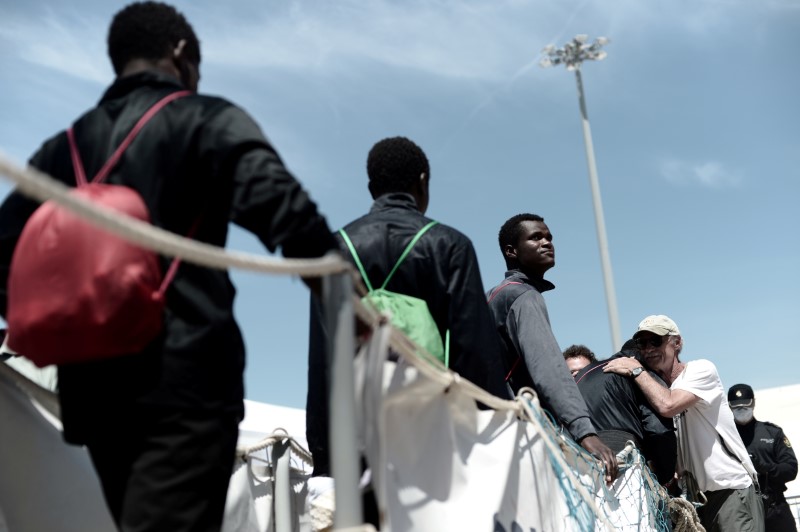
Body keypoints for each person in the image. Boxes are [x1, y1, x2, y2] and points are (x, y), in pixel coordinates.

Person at [0, 3, 338, 530]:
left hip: (93, 392)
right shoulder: (202, 116)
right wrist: (343, 289)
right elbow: (284, 210)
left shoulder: (57, 151)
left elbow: (5, 260)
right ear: (181, 54)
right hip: (185, 377)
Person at [306, 136, 507, 477]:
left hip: (359, 433)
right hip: (434, 432)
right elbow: (474, 353)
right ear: (423, 181)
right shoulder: (450, 245)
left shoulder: (335, 250)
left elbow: (324, 359)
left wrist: (325, 460)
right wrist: (491, 433)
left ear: (372, 187)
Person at [485, 213, 618, 483]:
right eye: (536, 237)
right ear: (511, 251)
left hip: (491, 432)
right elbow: (548, 368)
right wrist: (585, 432)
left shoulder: (495, 295)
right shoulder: (522, 296)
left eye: (549, 237)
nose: (547, 242)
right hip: (521, 436)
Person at [604, 315, 764, 532]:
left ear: (677, 343)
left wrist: (635, 370)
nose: (649, 348)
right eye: (642, 343)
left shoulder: (701, 370)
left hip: (731, 491)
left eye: (656, 341)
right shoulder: (656, 388)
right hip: (698, 499)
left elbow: (668, 405)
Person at [574, 339, 677, 484]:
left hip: (577, 462)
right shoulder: (639, 373)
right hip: (620, 464)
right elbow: (659, 431)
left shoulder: (582, 374)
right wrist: (665, 475)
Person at [729, 383, 798, 532]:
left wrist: (764, 467)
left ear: (753, 403)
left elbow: (791, 468)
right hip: (741, 511)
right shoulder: (725, 438)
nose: (741, 409)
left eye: (745, 404)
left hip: (774, 507)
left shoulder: (772, 433)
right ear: (729, 407)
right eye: (736, 406)